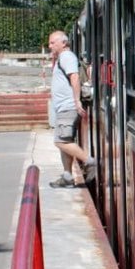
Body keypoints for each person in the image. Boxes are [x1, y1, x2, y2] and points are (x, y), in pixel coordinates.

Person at [46, 30, 90, 188]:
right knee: (66, 141)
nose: (49, 46)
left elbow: (75, 77)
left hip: (67, 107)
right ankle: (67, 176)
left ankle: (90, 162)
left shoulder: (66, 57)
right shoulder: (62, 58)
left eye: (52, 42)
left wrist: (76, 100)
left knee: (60, 141)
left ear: (63, 43)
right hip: (64, 107)